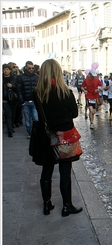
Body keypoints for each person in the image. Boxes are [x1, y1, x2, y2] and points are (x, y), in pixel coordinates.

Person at [31, 58, 82, 217]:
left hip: (45, 135)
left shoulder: (37, 92)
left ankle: (47, 204)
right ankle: (67, 205)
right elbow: (74, 113)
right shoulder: (65, 92)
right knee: (65, 170)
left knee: (47, 169)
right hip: (64, 136)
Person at [16, 60, 39, 138]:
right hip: (25, 102)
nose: (31, 69)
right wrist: (21, 101)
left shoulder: (37, 77)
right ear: (26, 68)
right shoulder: (20, 77)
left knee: (36, 118)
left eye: (32, 68)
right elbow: (19, 90)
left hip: (35, 101)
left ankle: (36, 132)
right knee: (27, 119)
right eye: (29, 68)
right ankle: (30, 133)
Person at [3, 63, 18, 137]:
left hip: (13, 99)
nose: (5, 71)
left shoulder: (14, 77)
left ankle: (11, 126)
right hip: (5, 99)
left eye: (7, 69)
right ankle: (10, 130)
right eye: (4, 69)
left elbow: (18, 88)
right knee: (8, 115)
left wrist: (12, 86)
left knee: (12, 114)